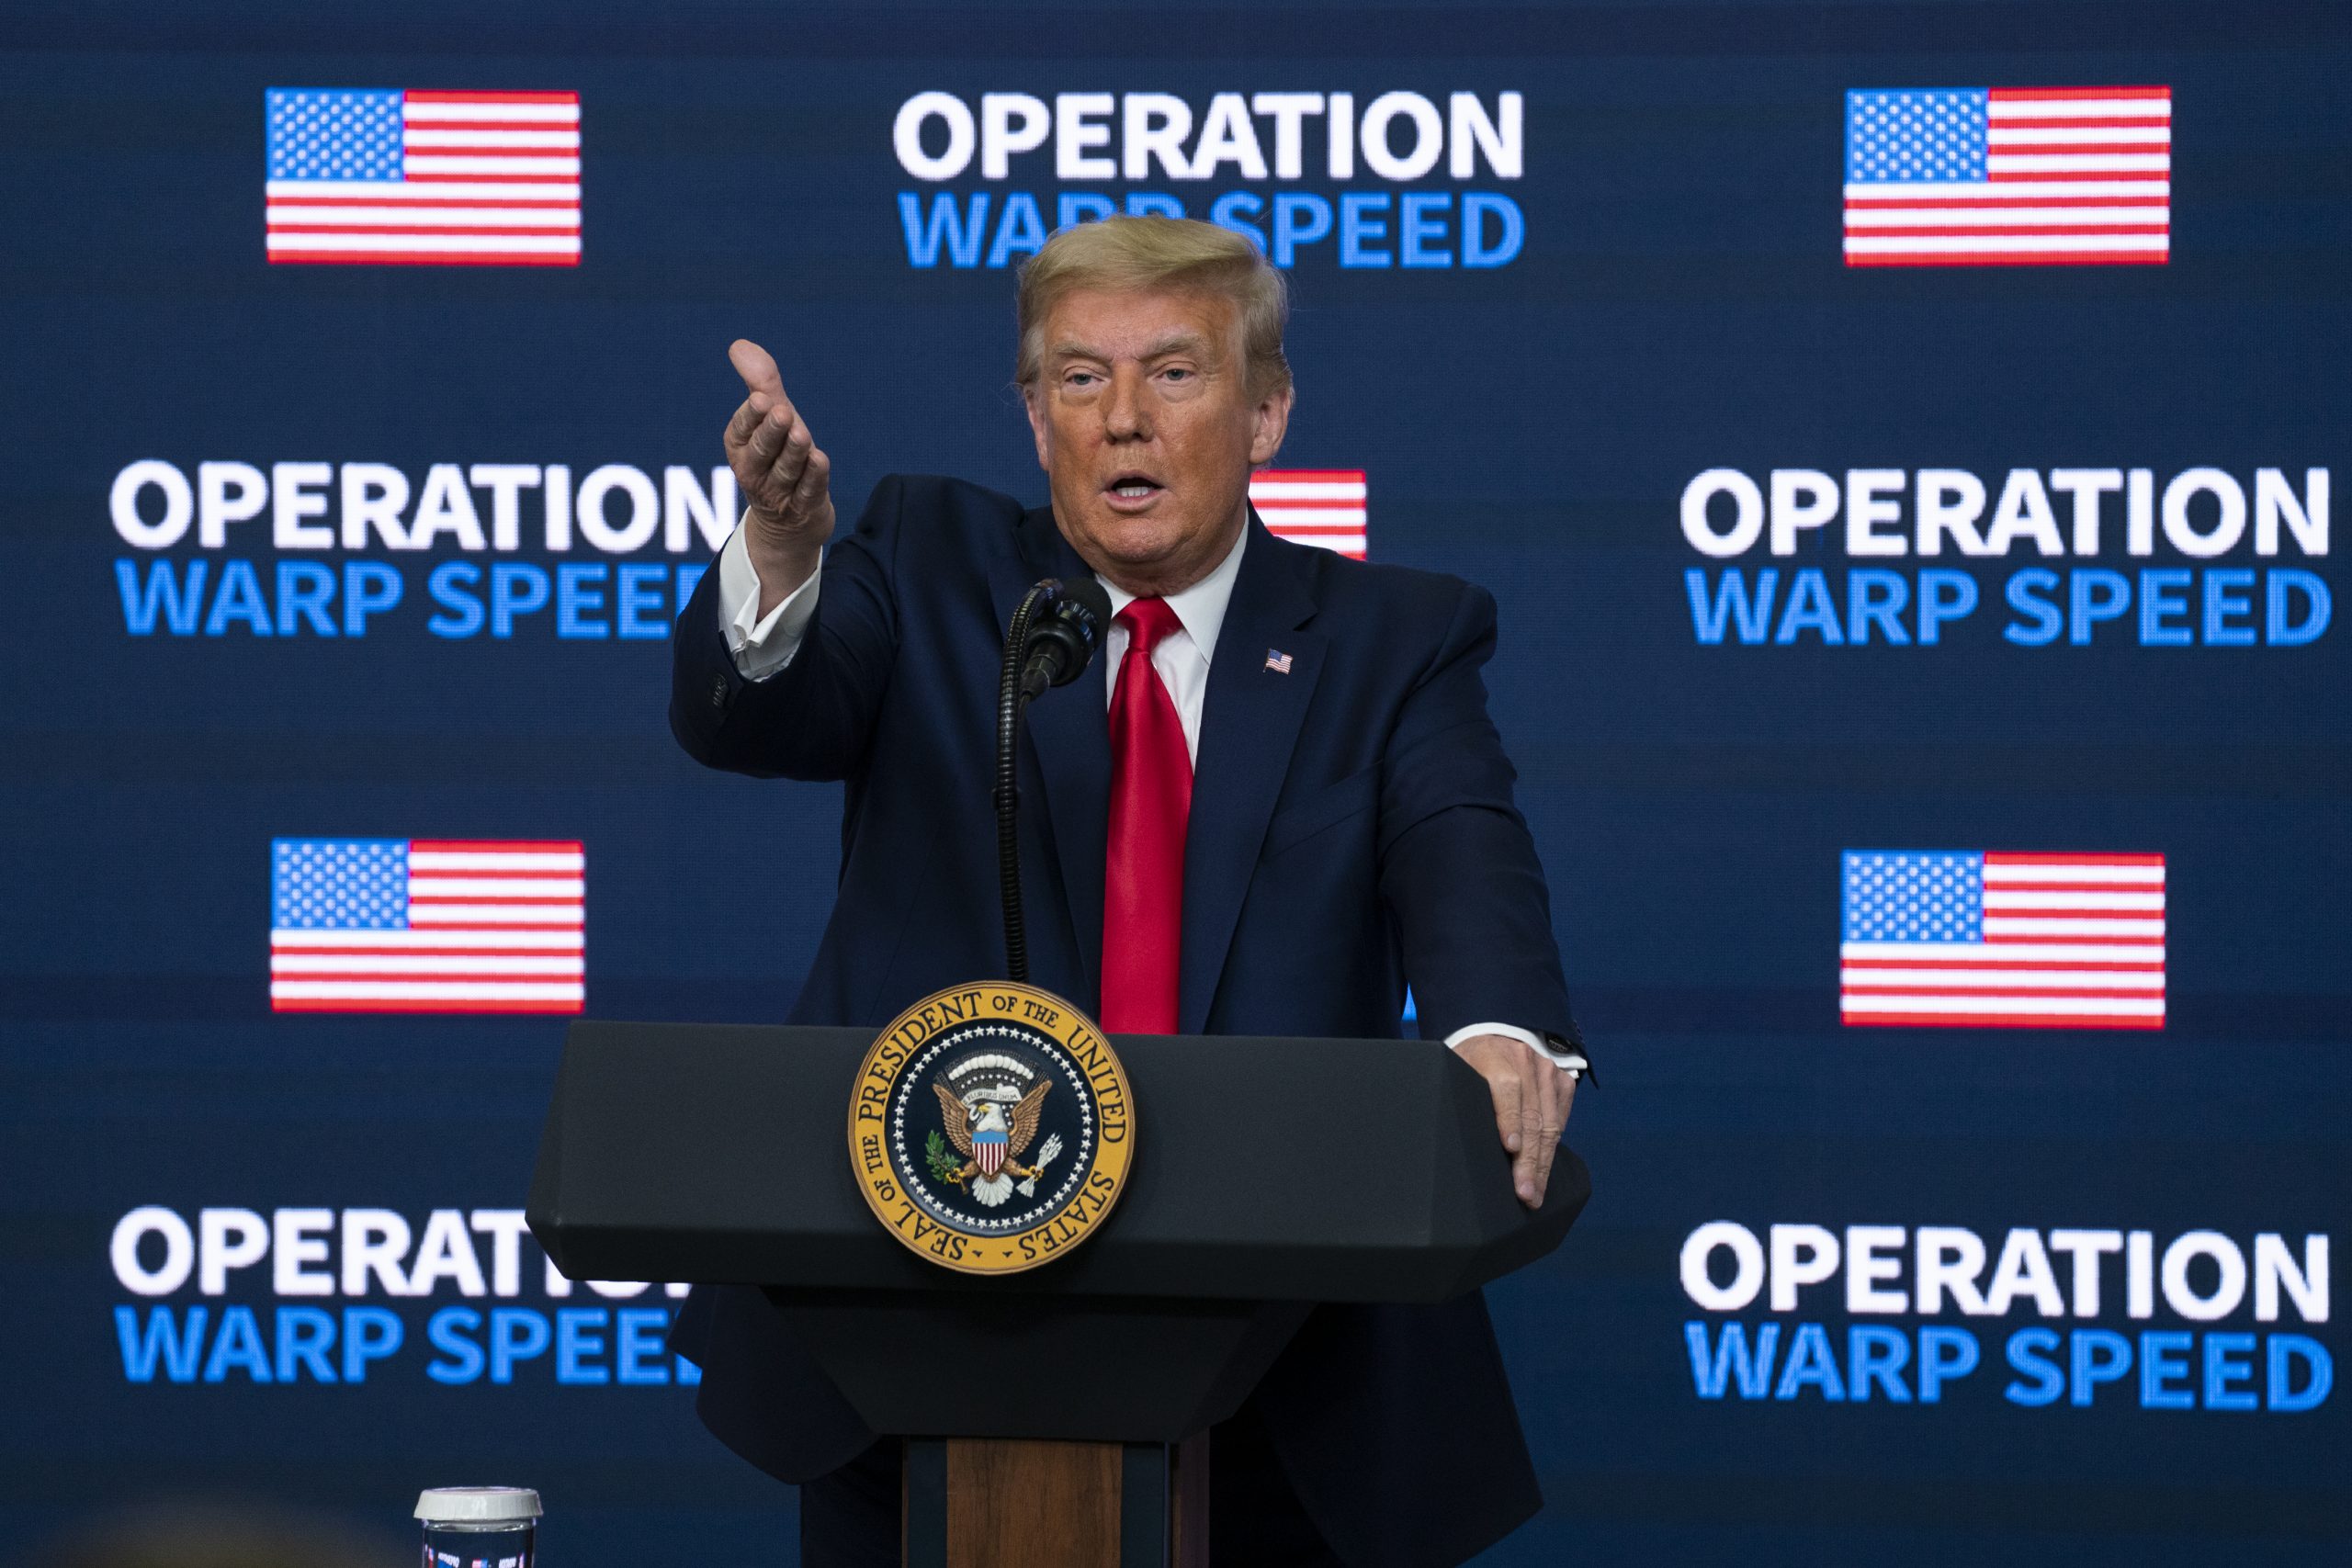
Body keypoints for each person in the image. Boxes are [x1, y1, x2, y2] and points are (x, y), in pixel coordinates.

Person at [669, 216, 1587, 1568]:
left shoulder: (1399, 638)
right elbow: (759, 718)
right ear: (1036, 419)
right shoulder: (927, 561)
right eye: (1080, 381)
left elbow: (1462, 841)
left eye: (1174, 374)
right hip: (909, 1341)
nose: (1123, 423)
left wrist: (1498, 1025)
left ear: (1268, 411)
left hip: (1282, 1351)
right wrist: (787, 549)